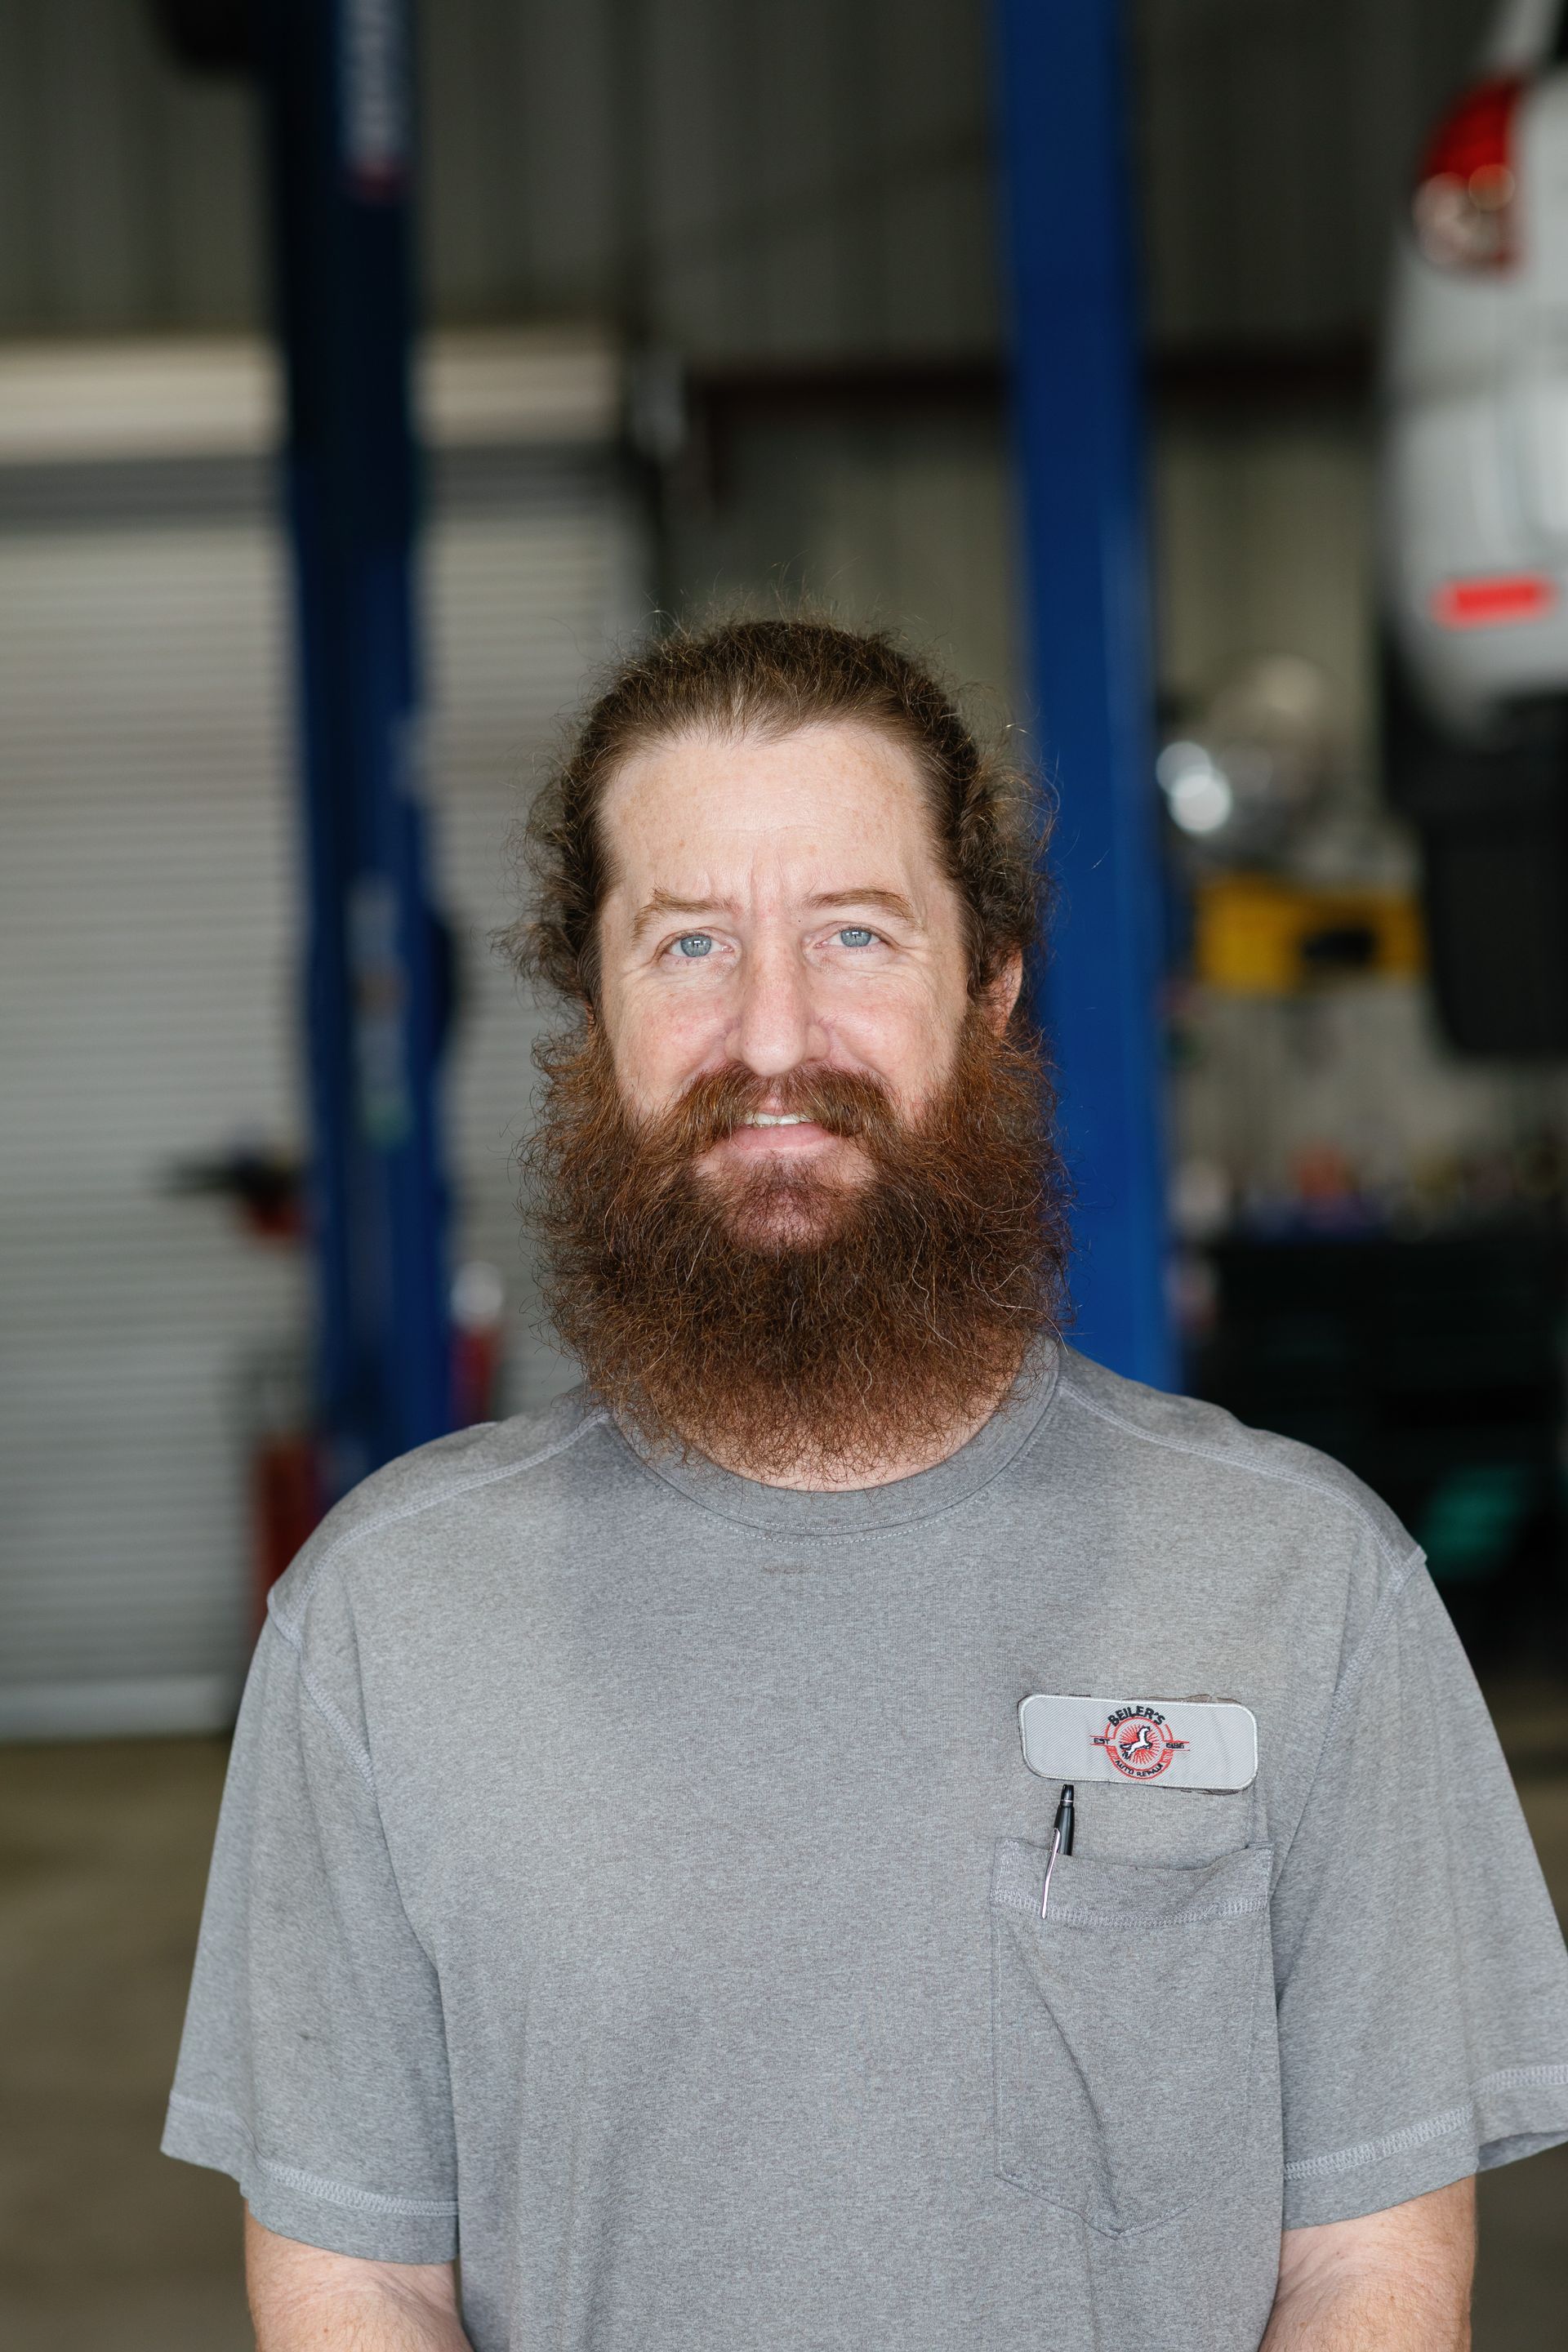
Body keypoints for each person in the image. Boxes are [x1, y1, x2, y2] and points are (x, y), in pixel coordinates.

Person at [165, 619, 1568, 2352]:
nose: (774, 1036)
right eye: (689, 943)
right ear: (594, 1014)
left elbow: (1371, 2264)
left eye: (854, 933)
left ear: (987, 996)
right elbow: (356, 2277)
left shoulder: (1302, 1585)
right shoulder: (381, 1622)